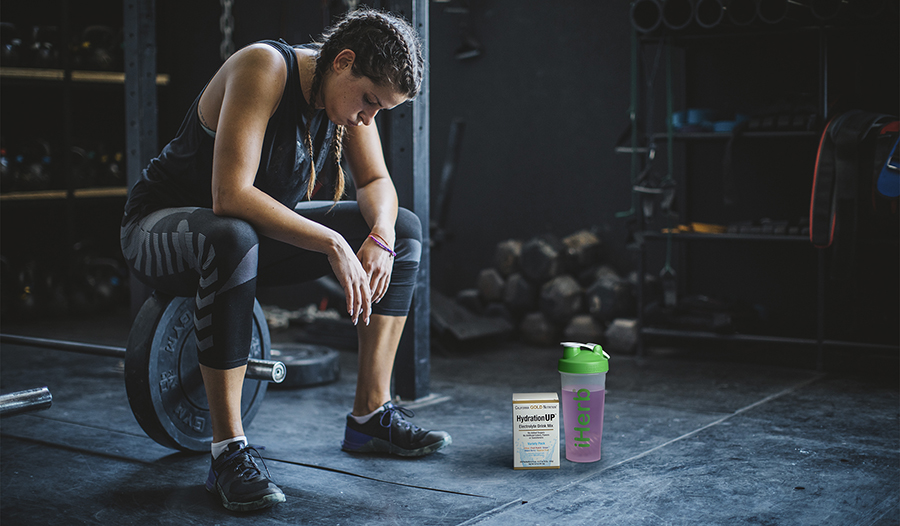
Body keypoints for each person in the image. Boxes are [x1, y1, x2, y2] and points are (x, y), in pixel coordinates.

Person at [120, 7, 450, 512]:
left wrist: (379, 236)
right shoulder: (264, 68)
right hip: (158, 229)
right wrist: (334, 242)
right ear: (343, 61)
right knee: (231, 236)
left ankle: (370, 416)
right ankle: (228, 450)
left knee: (403, 230)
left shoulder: (347, 104)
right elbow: (230, 194)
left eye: (382, 110)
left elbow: (376, 183)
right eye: (370, 102)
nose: (369, 118)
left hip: (242, 239)